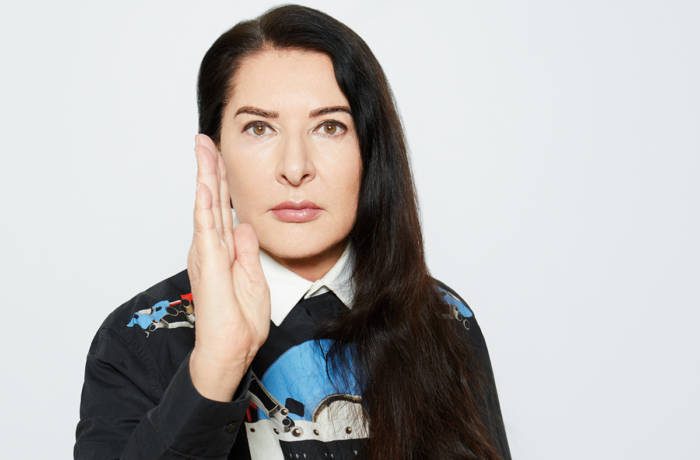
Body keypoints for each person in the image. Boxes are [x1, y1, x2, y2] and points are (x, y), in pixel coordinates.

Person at [73, 4, 511, 459]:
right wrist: (215, 368)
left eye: (329, 126)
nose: (296, 168)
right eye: (259, 128)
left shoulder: (442, 318)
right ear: (214, 153)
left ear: (371, 152)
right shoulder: (141, 336)